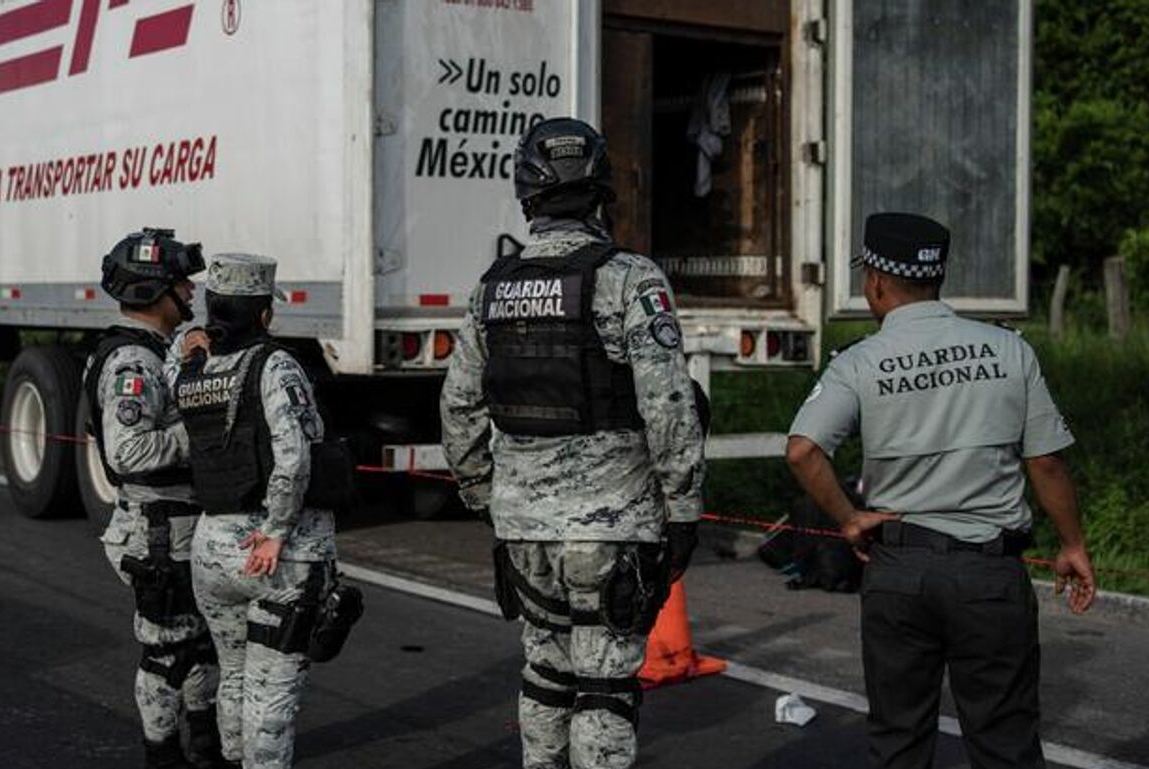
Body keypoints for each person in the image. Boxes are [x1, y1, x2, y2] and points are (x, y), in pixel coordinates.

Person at [439, 117, 708, 769]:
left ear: (527, 195)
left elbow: (458, 405)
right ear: (600, 193)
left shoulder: (491, 288)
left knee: (545, 671)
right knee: (606, 686)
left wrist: (484, 494)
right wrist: (684, 509)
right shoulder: (630, 279)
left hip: (524, 524)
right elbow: (670, 402)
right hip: (614, 524)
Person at [784, 212, 1097, 769]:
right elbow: (1046, 461)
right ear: (938, 278)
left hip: (899, 571)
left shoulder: (859, 363)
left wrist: (850, 519)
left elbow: (803, 450)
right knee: (1005, 743)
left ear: (875, 282)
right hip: (989, 576)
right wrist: (1071, 545)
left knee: (898, 740)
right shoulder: (1008, 350)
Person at [176, 253, 351, 769]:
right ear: (264, 314)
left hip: (212, 548)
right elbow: (293, 453)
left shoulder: (196, 365)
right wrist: (276, 530)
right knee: (271, 694)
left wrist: (188, 346)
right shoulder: (274, 365)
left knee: (233, 674)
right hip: (274, 555)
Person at [85, 228, 229, 769]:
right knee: (167, 653)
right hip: (157, 532)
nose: (191, 293)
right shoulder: (132, 365)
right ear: (153, 292)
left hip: (177, 527)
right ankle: (163, 756)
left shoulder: (154, 353)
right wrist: (205, 432)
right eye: (180, 284)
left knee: (198, 647)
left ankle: (204, 747)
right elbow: (130, 451)